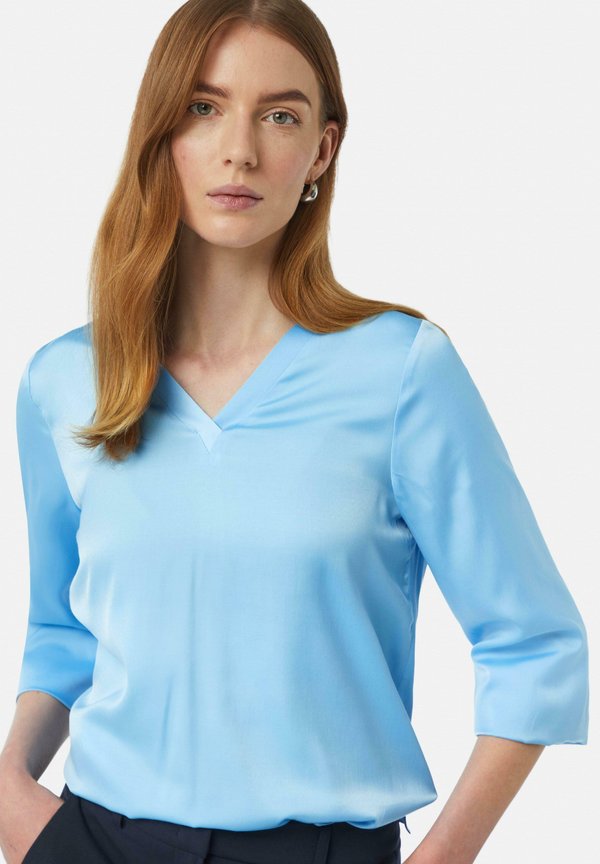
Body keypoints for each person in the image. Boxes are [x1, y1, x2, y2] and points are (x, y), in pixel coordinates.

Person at [0, 1, 589, 863]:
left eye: (280, 116)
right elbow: (60, 630)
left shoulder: (402, 371)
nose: (239, 149)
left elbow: (536, 645)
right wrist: (12, 799)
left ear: (322, 150)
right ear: (160, 131)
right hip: (93, 838)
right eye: (204, 107)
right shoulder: (66, 381)